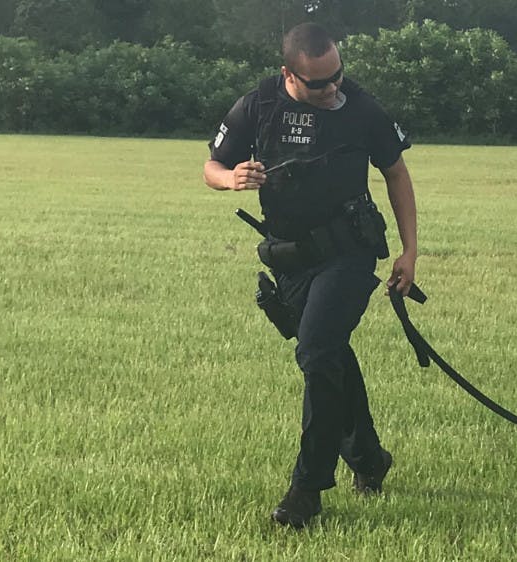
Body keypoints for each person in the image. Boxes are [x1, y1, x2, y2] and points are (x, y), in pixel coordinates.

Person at [203, 22, 417, 529]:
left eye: (337, 76)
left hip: (348, 251)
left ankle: (307, 490)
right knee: (329, 354)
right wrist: (230, 178)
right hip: (290, 257)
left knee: (317, 349)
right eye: (319, 83)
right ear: (288, 75)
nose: (333, 88)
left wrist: (410, 251)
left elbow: (396, 174)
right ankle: (368, 458)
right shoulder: (257, 105)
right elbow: (212, 166)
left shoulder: (363, 109)